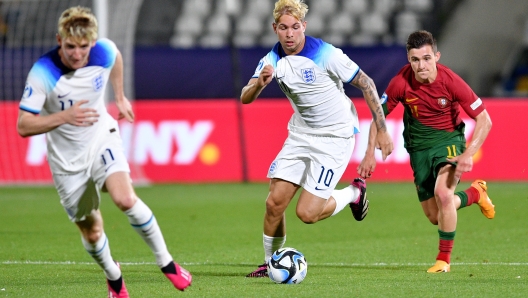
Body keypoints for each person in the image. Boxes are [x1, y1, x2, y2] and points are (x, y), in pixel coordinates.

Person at [16, 6, 191, 296]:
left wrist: (120, 97)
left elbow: (117, 58)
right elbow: (23, 125)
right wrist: (64, 116)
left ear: (92, 44)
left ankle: (167, 263)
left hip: (101, 137)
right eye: (70, 46)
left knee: (124, 198)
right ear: (59, 40)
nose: (76, 53)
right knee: (92, 230)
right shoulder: (43, 72)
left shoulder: (103, 52)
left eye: (83, 47)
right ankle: (114, 276)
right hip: (66, 161)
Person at [241, 0, 393, 277]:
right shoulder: (271, 60)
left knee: (307, 214)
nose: (290, 34)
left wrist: (382, 129)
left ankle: (353, 193)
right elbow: (245, 97)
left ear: (304, 27)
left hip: (335, 136)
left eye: (295, 28)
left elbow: (367, 83)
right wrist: (259, 85)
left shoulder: (326, 54)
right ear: (275, 28)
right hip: (300, 134)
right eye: (284, 28)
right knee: (274, 202)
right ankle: (270, 262)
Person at [357, 30, 495, 273]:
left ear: (437, 56)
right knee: (435, 215)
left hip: (449, 141)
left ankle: (444, 260)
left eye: (427, 58)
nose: (421, 66)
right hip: (418, 149)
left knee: (443, 194)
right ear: (408, 60)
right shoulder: (401, 82)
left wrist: (468, 153)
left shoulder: (451, 82)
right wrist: (370, 152)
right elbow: (378, 115)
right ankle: (475, 194)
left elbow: (485, 119)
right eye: (415, 60)